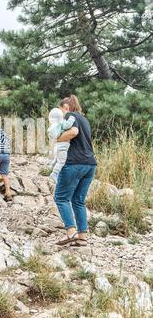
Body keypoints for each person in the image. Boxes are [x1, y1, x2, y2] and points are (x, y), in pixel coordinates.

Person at [53, 95, 97, 247]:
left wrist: (56, 138)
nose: (62, 113)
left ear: (67, 107)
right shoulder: (85, 119)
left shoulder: (71, 116)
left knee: (60, 197)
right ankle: (82, 237)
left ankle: (71, 232)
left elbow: (73, 133)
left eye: (62, 109)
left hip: (75, 163)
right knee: (78, 200)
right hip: (90, 164)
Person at [47, 107, 76, 183]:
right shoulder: (61, 122)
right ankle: (54, 173)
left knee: (57, 158)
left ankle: (52, 165)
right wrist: (72, 118)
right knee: (61, 162)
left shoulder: (53, 125)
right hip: (63, 146)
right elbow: (68, 125)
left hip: (56, 145)